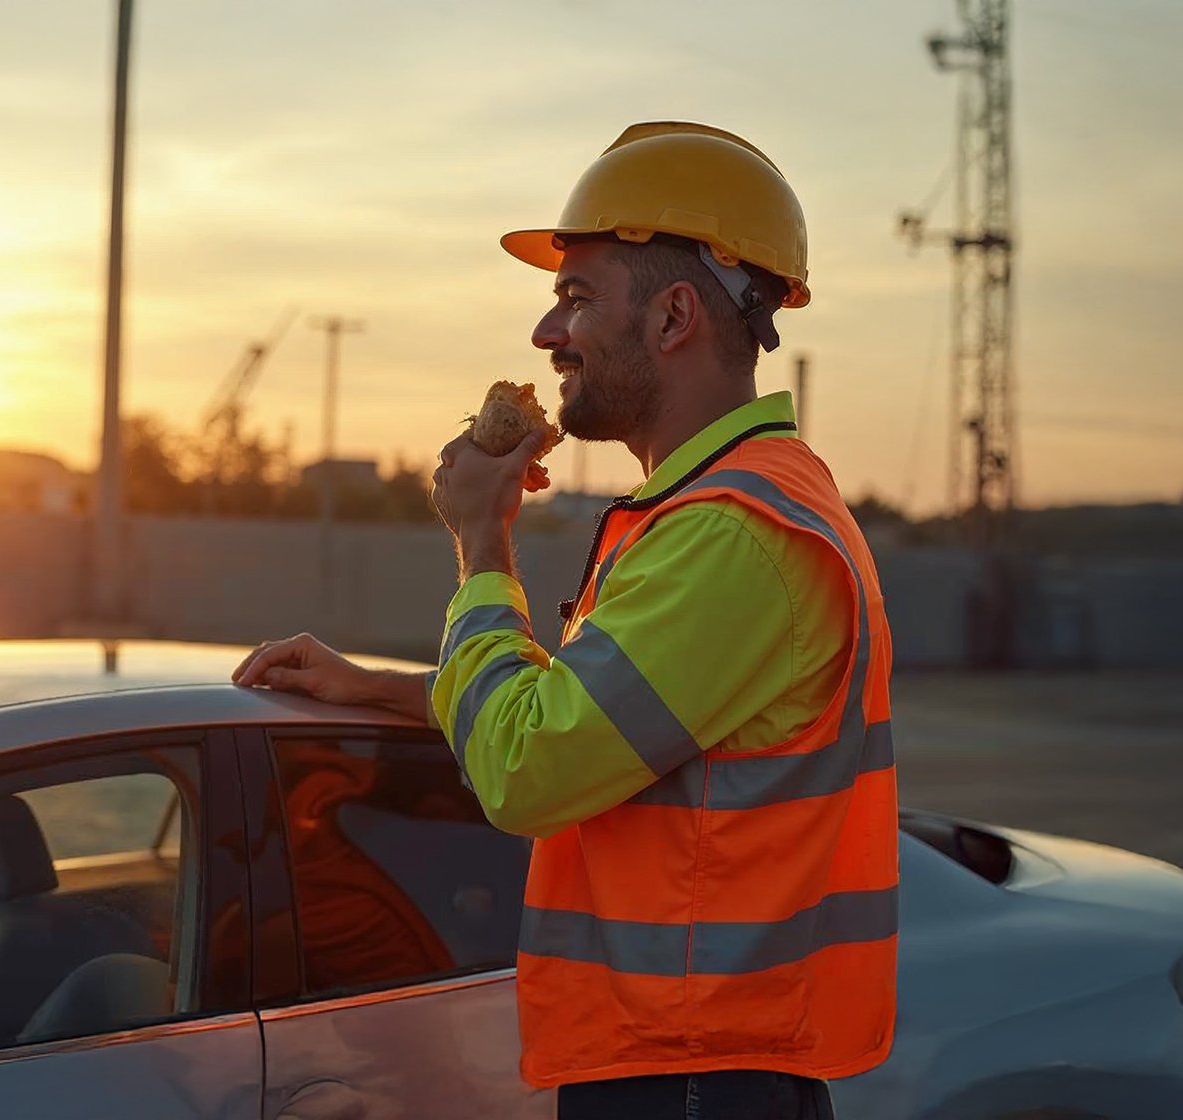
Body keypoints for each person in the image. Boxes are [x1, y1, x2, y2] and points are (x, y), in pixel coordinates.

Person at [232, 122, 896, 1120]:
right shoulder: (714, 514)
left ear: (675, 317)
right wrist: (384, 690)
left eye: (577, 299)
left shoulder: (736, 537)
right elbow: (602, 723)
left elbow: (530, 768)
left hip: (692, 1074)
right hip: (682, 1062)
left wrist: (481, 544)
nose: (548, 337)